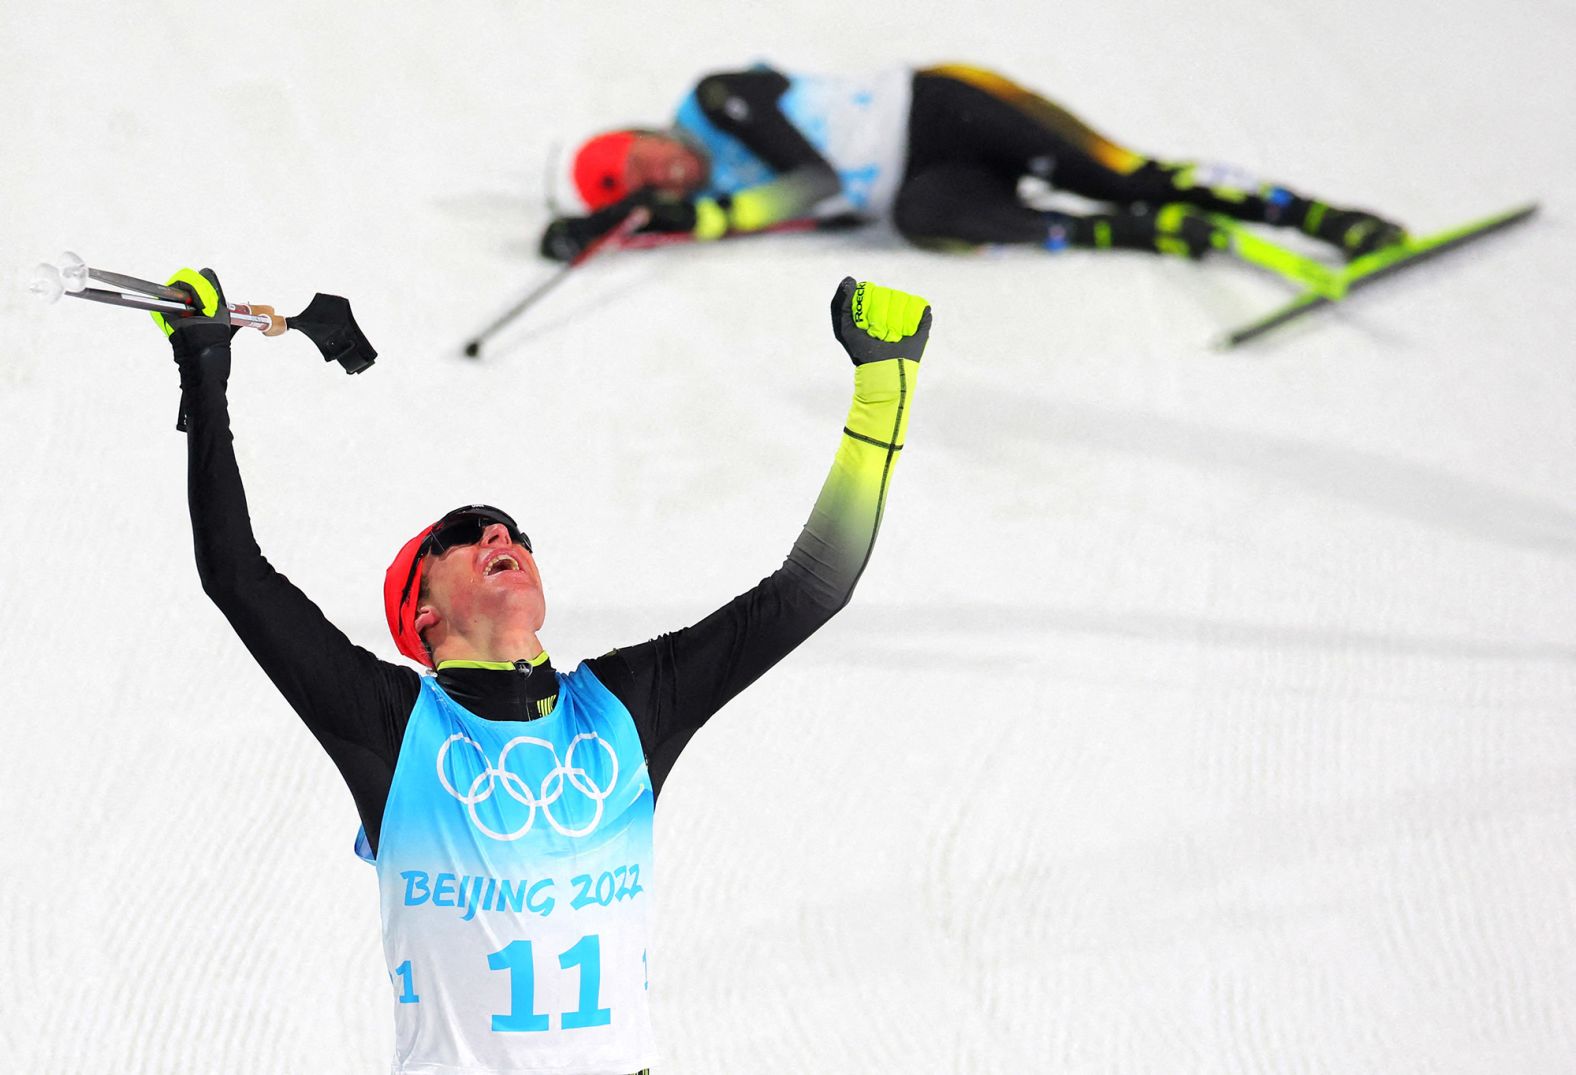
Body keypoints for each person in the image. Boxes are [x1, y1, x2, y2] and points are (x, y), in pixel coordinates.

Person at [157, 267, 930, 1074]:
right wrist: (204, 371)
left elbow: (812, 587)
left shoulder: (626, 707)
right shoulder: (396, 729)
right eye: (464, 532)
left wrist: (884, 385)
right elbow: (236, 575)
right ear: (420, 618)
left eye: (514, 531)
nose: (501, 535)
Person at [540, 62, 1407, 266]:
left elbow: (813, 181)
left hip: (948, 105)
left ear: (647, 131)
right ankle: (1154, 233)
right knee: (928, 220)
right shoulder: (722, 193)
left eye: (651, 160)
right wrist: (601, 232)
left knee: (1120, 168)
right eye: (653, 187)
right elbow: (686, 220)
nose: (671, 176)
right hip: (924, 180)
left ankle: (1319, 218)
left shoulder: (718, 97)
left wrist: (698, 220)